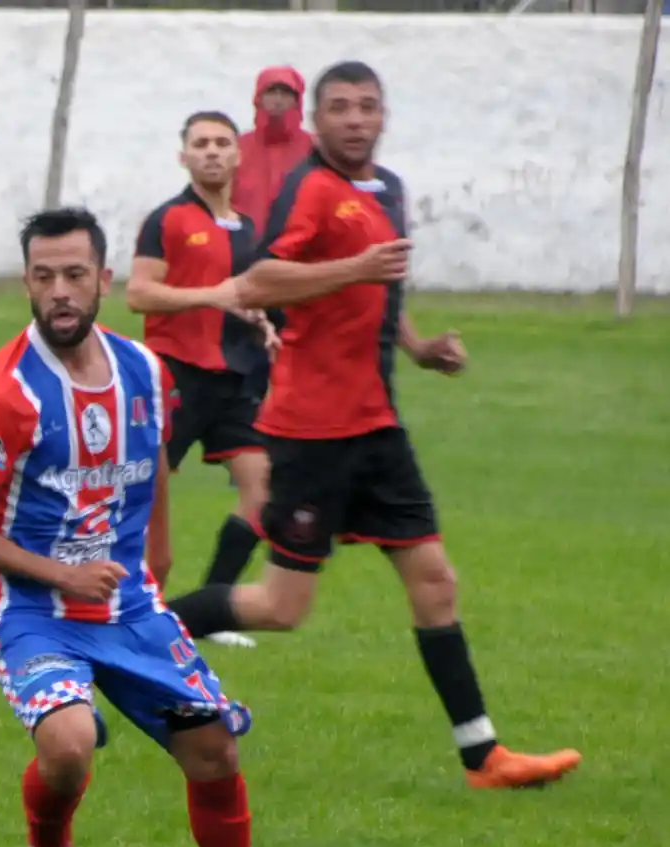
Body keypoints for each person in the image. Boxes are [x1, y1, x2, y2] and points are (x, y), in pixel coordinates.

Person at [167, 61, 582, 790]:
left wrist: (417, 347)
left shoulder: (384, 189)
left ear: (383, 115)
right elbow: (258, 282)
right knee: (280, 606)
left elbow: (379, 287)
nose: (356, 119)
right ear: (316, 122)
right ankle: (139, 631)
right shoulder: (310, 190)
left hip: (377, 427)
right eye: (340, 108)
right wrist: (354, 267)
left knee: (434, 578)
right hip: (311, 431)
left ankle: (483, 755)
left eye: (367, 106)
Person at [0, 206, 292, 847]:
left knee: (212, 743)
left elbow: (153, 467)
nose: (60, 291)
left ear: (103, 278)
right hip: (28, 610)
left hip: (128, 603)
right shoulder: (1, 393)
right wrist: (58, 574)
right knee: (69, 743)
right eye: (44, 277)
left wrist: (154, 562)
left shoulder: (143, 369)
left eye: (75, 274)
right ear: (26, 284)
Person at [127, 110, 279, 649]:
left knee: (262, 491)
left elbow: (242, 294)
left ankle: (211, 610)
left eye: (221, 143)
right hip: (174, 379)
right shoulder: (166, 219)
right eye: (201, 143)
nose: (212, 151)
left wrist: (258, 320)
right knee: (136, 500)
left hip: (233, 382)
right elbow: (139, 293)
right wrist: (211, 296)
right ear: (183, 156)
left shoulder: (248, 228)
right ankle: (121, 607)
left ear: (238, 155)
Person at [231, 66, 315, 234]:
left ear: (296, 100)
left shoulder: (316, 148)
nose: (278, 99)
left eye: (285, 93)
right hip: (246, 249)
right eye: (270, 92)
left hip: (303, 248)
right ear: (258, 98)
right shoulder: (237, 148)